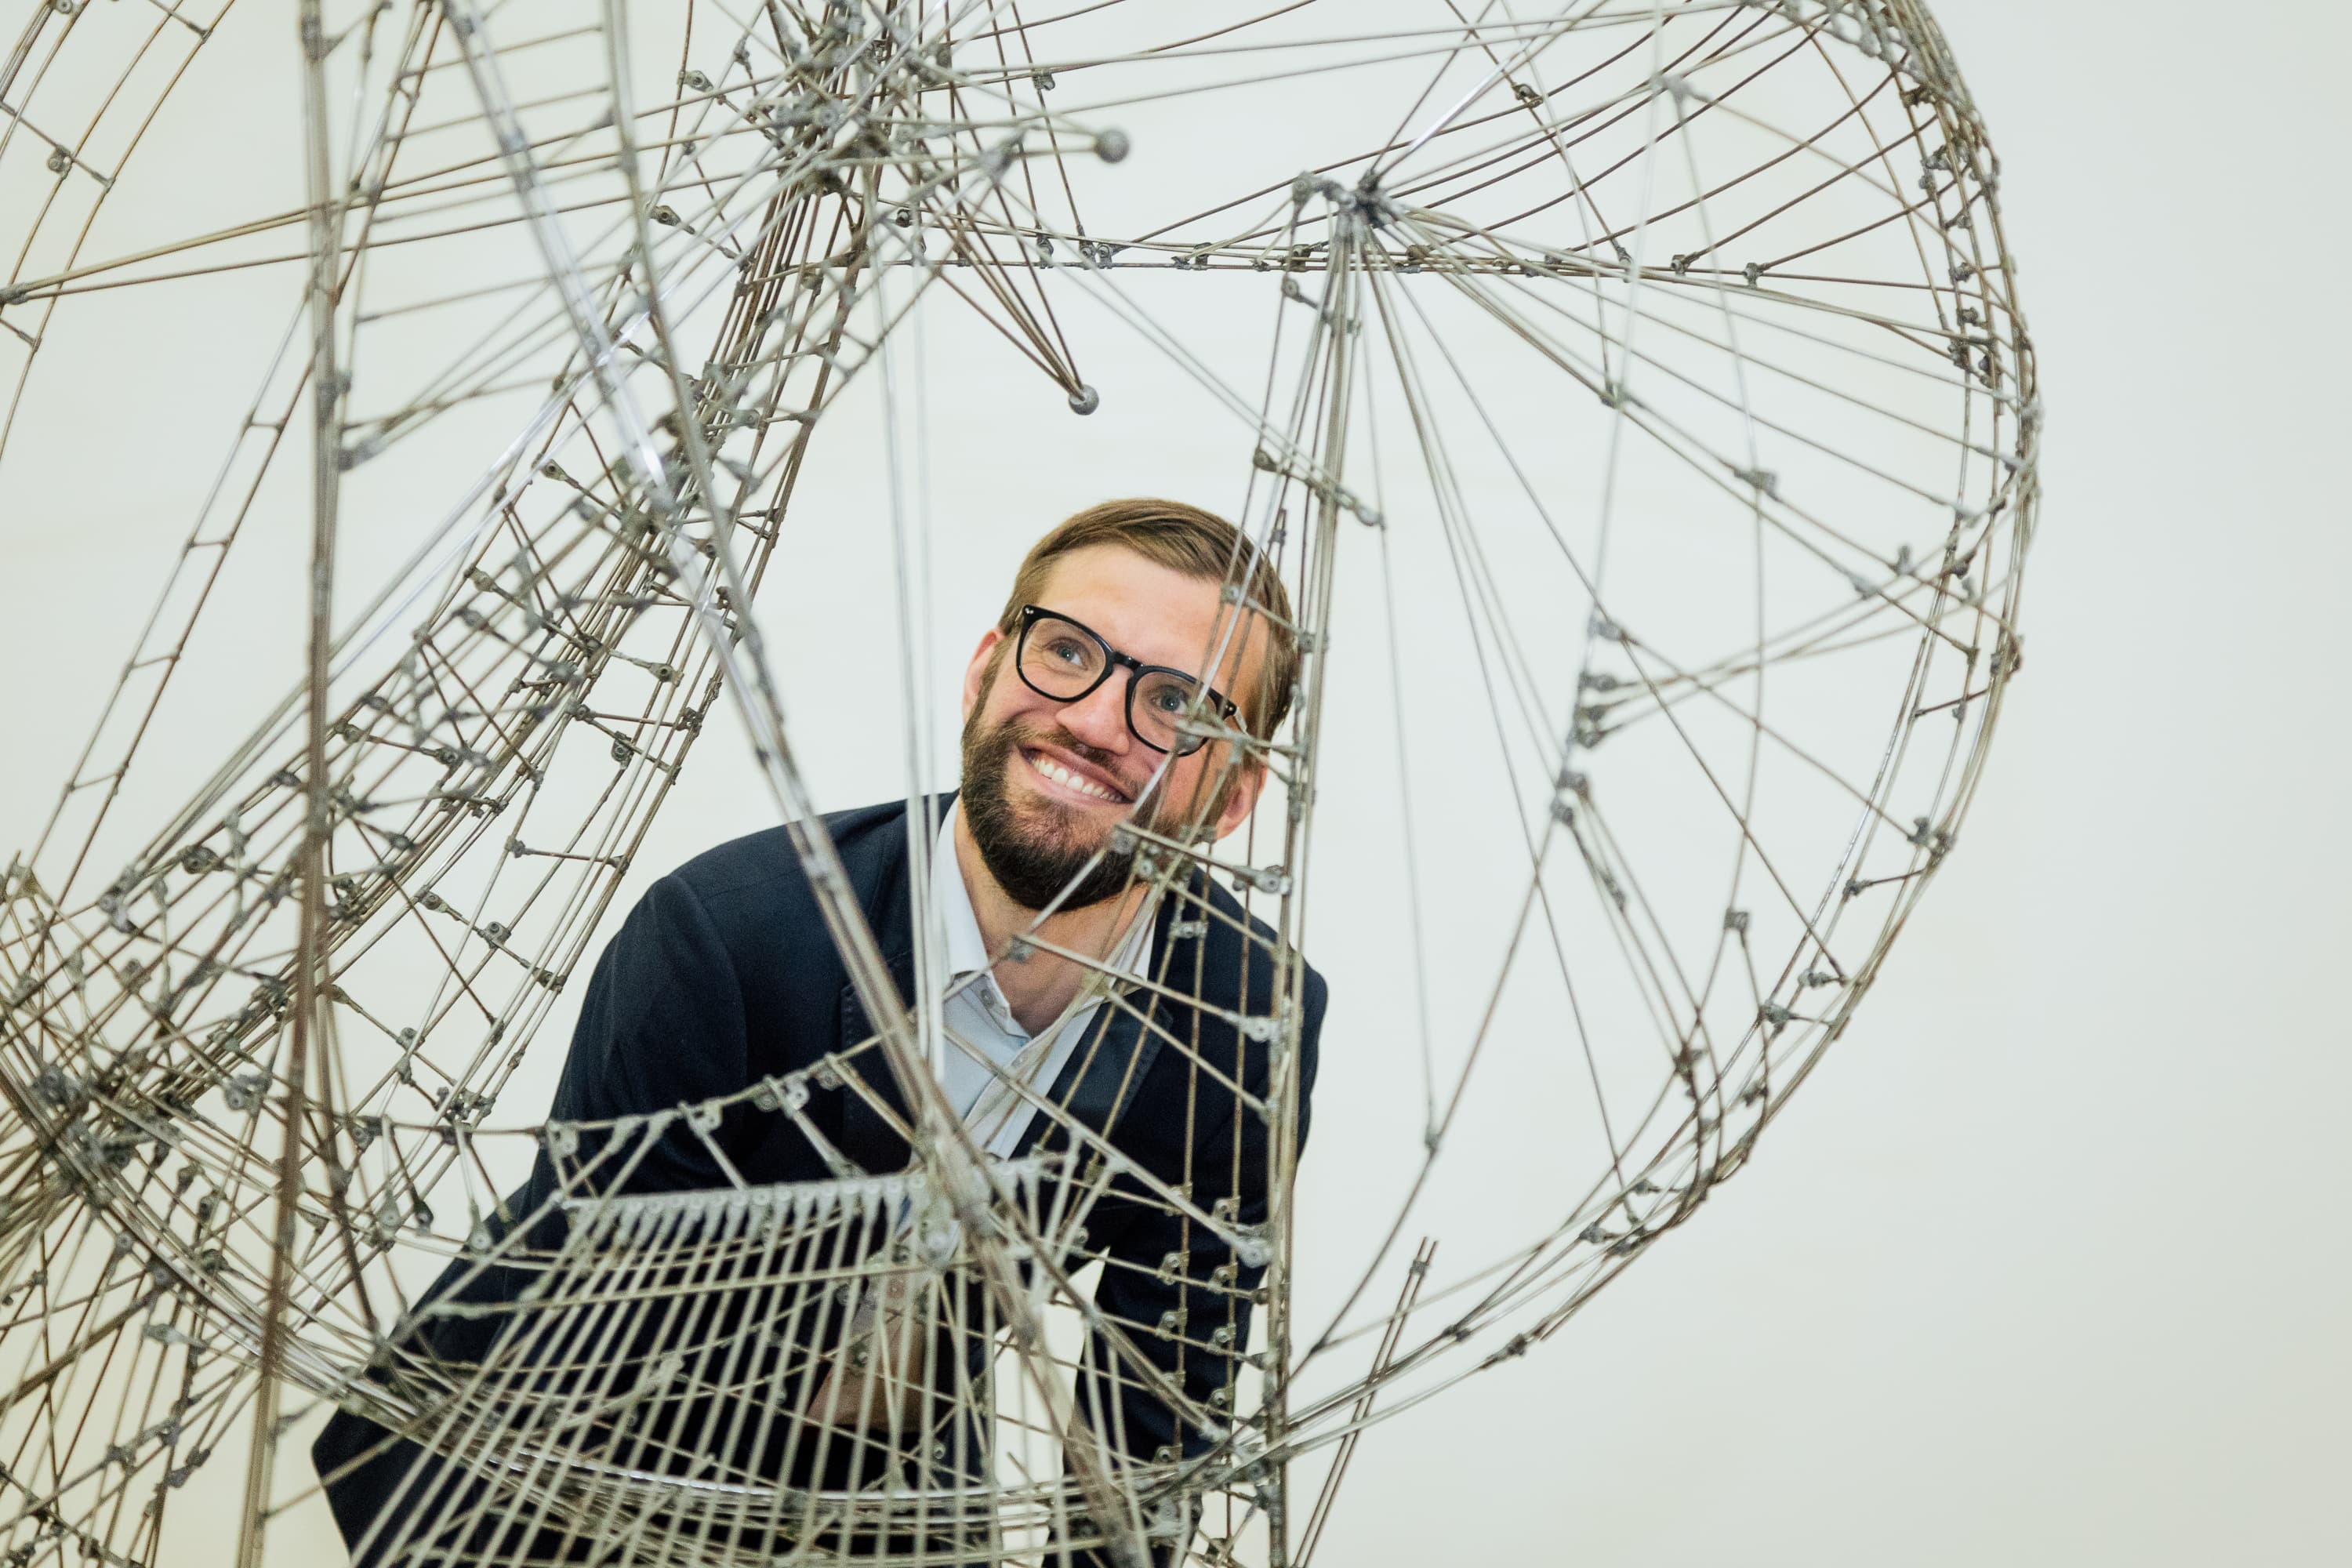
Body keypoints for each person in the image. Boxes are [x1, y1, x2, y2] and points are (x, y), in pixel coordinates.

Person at [312, 498, 1327, 1565]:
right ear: (986, 673)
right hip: (524, 1457)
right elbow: (589, 1344)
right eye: (1065, 649)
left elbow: (1154, 1426)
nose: (1094, 720)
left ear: (1234, 799)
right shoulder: (726, 937)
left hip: (890, 1478)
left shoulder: (1246, 1017)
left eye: (1176, 703)